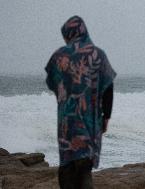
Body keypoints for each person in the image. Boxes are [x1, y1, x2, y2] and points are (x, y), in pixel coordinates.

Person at [45, 15, 116, 189]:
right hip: (90, 121)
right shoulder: (98, 54)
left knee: (67, 166)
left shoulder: (59, 56)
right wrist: (106, 116)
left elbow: (52, 82)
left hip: (66, 122)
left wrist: (66, 93)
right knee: (84, 166)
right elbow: (108, 87)